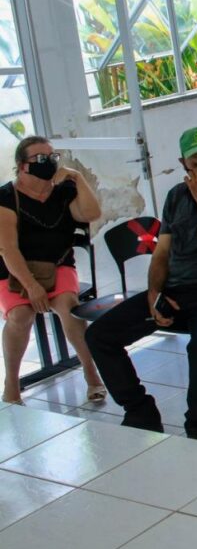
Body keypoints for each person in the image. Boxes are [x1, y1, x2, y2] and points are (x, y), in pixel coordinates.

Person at [86, 127, 197, 441]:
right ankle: (140, 410)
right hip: (178, 288)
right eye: (196, 166)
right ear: (183, 164)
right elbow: (162, 252)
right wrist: (154, 293)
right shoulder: (176, 196)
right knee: (99, 335)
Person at [0, 137, 104, 405]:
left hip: (58, 264)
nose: (50, 163)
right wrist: (32, 286)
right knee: (21, 315)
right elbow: (8, 249)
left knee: (69, 308)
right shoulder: (5, 197)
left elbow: (91, 213)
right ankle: (12, 384)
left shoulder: (63, 190)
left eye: (53, 156)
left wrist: (78, 178)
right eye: (41, 159)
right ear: (23, 166)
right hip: (13, 271)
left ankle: (92, 375)